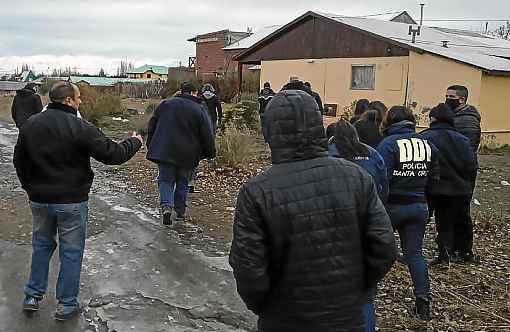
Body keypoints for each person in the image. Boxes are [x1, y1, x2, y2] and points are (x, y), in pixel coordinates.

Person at [229, 89, 396, 332]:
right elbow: (384, 247)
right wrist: (353, 290)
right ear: (318, 125)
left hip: (284, 319)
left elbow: (248, 269)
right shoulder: (356, 176)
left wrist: (269, 306)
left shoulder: (257, 192)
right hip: (346, 317)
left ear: (271, 131)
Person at [13, 81, 143, 320]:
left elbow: (19, 161)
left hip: (40, 200)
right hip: (72, 201)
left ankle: (32, 295)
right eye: (79, 97)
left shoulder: (31, 125)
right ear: (68, 101)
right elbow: (113, 155)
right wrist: (134, 142)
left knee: (41, 246)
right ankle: (66, 305)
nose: (81, 101)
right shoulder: (79, 126)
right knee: (71, 252)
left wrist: (30, 189)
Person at [377, 106, 439, 321]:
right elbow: (434, 178)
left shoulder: (388, 144)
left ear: (389, 122)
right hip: (418, 205)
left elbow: (381, 178)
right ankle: (423, 303)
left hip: (392, 206)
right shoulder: (427, 144)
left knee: (374, 250)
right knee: (415, 254)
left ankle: (368, 295)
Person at [327, 119, 388, 331]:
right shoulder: (372, 154)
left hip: (335, 229)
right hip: (367, 227)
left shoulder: (327, 156)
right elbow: (383, 187)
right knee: (366, 297)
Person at [146, 82, 215, 226]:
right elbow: (207, 133)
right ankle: (180, 211)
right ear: (194, 92)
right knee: (183, 182)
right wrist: (210, 152)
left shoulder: (165, 104)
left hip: (165, 150)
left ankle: (166, 207)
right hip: (188, 154)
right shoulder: (199, 109)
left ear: (181, 91)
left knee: (165, 180)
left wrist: (151, 144)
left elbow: (152, 124)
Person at [420, 104, 478, 264]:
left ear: (433, 119)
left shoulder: (423, 138)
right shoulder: (463, 140)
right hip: (456, 189)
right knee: (448, 222)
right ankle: (448, 254)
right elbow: (471, 166)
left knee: (421, 221)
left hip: (431, 188)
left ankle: (415, 252)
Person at [445, 85, 481, 153]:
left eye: (451, 96)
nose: (447, 99)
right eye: (446, 96)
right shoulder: (452, 114)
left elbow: (469, 146)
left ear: (462, 99)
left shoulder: (469, 120)